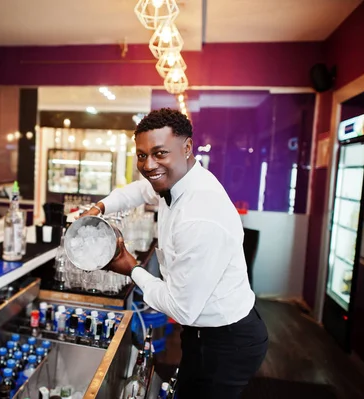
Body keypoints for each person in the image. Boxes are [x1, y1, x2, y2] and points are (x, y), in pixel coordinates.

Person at [81, 108, 268, 398]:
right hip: (201, 332)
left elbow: (181, 308)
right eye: (142, 155)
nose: (149, 164)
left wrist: (132, 268)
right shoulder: (176, 180)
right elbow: (138, 191)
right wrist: (100, 207)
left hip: (227, 340)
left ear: (187, 147)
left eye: (159, 153)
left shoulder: (199, 214)